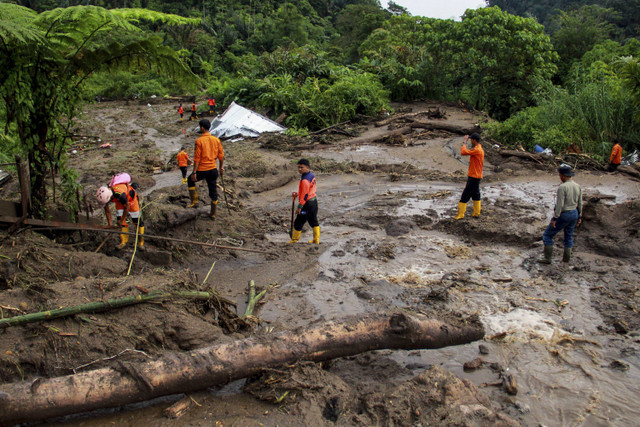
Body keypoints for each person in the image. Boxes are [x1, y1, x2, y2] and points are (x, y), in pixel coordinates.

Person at [539, 164, 582, 264]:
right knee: (569, 237)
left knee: (547, 235)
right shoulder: (577, 186)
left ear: (562, 175)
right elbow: (580, 203)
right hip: (574, 213)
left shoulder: (562, 187)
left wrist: (555, 218)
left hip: (564, 214)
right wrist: (579, 216)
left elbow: (560, 204)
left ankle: (547, 258)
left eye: (559, 175)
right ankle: (566, 260)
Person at [187, 119, 224, 220]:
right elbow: (221, 156)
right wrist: (221, 167)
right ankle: (213, 213)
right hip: (213, 169)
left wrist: (194, 172)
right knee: (213, 191)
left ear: (202, 127)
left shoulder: (199, 141)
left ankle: (194, 202)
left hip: (202, 170)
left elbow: (197, 159)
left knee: (190, 180)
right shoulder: (216, 140)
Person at [96, 179, 145, 251]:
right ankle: (124, 241)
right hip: (119, 201)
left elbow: (127, 207)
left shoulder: (120, 194)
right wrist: (110, 225)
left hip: (131, 199)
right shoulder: (104, 194)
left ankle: (141, 242)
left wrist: (122, 220)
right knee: (120, 221)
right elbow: (107, 211)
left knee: (136, 220)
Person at [289, 158, 320, 244]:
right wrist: (298, 194)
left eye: (301, 167)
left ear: (307, 167)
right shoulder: (311, 175)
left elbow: (305, 195)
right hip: (314, 202)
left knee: (299, 220)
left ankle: (294, 240)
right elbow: (308, 190)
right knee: (313, 220)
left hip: (307, 204)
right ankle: (316, 240)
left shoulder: (305, 180)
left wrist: (300, 207)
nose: (299, 169)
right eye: (298, 167)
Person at [455, 132, 484, 219]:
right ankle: (476, 213)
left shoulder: (477, 150)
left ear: (474, 140)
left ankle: (460, 215)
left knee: (465, 195)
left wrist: (464, 142)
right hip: (477, 176)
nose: (470, 141)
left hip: (473, 176)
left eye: (471, 140)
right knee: (476, 194)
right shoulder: (479, 149)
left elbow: (463, 152)